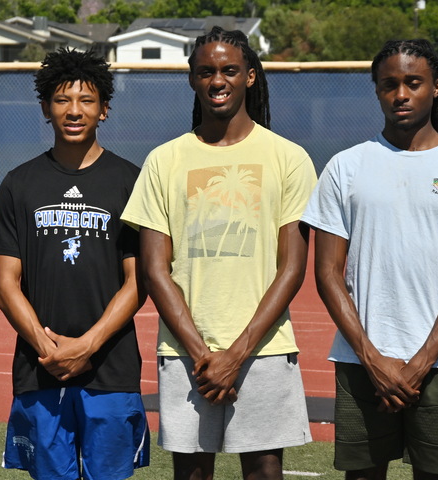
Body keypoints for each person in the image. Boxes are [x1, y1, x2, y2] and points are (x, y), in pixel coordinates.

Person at [121, 26, 316, 480]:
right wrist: (200, 354)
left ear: (249, 76)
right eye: (206, 71)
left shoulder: (289, 158)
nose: (218, 80)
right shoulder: (164, 161)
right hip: (186, 354)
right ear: (192, 79)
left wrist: (237, 353)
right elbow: (155, 269)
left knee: (264, 471)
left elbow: (292, 268)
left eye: (229, 70)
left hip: (265, 351)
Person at [301, 39, 438, 480]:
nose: (401, 94)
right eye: (389, 84)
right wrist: (372, 358)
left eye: (413, 83)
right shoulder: (345, 167)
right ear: (376, 90)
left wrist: (420, 362)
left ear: (437, 86)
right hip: (360, 361)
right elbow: (328, 273)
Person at [0, 47, 150, 479]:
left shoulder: (130, 182)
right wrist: (48, 349)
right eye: (62, 100)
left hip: (110, 370)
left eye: (86, 100)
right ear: (45, 108)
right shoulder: (19, 183)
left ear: (104, 110)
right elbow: (5, 284)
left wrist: (87, 346)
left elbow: (138, 282)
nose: (74, 111)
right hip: (40, 371)